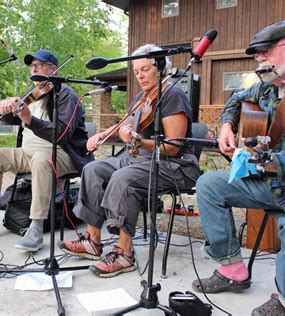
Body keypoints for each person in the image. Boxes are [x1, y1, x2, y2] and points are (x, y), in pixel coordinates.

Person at [191, 20, 285, 315]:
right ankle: (232, 270)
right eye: (257, 54)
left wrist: (265, 160)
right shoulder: (268, 86)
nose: (260, 58)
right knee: (209, 184)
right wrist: (227, 124)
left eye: (267, 51)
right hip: (273, 181)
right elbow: (236, 98)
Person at [58, 44, 201, 278]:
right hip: (138, 158)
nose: (140, 75)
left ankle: (124, 253)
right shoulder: (142, 97)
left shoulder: (172, 94)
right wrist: (103, 135)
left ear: (161, 68)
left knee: (123, 178)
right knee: (93, 169)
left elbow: (173, 148)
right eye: (136, 71)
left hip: (173, 165)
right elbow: (126, 128)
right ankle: (93, 241)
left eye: (145, 69)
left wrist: (136, 142)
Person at [0, 49, 92, 252]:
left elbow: (62, 134)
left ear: (53, 70)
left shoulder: (65, 94)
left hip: (63, 154)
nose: (34, 68)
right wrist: (4, 109)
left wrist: (28, 118)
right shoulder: (33, 95)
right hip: (29, 154)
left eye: (39, 65)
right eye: (32, 66)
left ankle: (35, 228)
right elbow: (11, 117)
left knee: (40, 159)